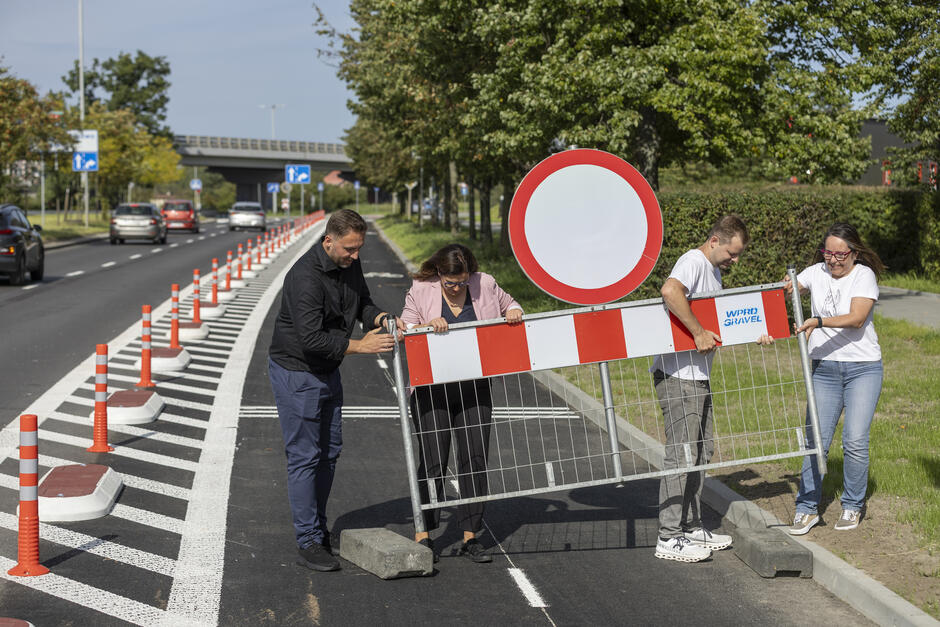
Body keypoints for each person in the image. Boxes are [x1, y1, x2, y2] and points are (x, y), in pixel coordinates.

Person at [268, 209, 400, 572]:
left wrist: (382, 318)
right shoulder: (304, 277)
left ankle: (318, 529)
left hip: (328, 370)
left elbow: (363, 303)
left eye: (359, 249)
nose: (355, 256)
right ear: (329, 241)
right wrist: (362, 346)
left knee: (329, 453)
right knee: (305, 456)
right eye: (349, 249)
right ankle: (308, 541)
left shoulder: (349, 264)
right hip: (297, 371)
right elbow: (310, 339)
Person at [651, 215, 774, 563]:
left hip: (697, 375)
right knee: (682, 454)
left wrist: (754, 333)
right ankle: (668, 536)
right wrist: (696, 332)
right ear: (714, 241)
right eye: (732, 253)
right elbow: (670, 291)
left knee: (702, 452)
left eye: (738, 255)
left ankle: (690, 526)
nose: (735, 260)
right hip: (678, 375)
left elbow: (719, 322)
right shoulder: (693, 262)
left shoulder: (714, 272)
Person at [400, 243, 522, 563]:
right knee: (434, 460)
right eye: (450, 283)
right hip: (432, 390)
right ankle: (424, 533)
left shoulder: (485, 283)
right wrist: (426, 326)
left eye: (462, 282)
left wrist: (513, 311)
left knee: (474, 459)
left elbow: (510, 303)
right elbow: (404, 329)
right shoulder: (421, 290)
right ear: (439, 273)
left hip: (474, 387)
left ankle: (470, 536)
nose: (457, 288)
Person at [785, 222, 884, 535]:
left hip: (863, 369)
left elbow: (857, 318)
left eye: (841, 254)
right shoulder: (815, 272)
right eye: (828, 253)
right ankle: (806, 509)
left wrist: (818, 321)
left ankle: (852, 504)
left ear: (854, 253)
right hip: (824, 369)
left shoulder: (864, 275)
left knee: (854, 440)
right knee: (816, 441)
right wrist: (786, 288)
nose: (833, 260)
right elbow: (788, 289)